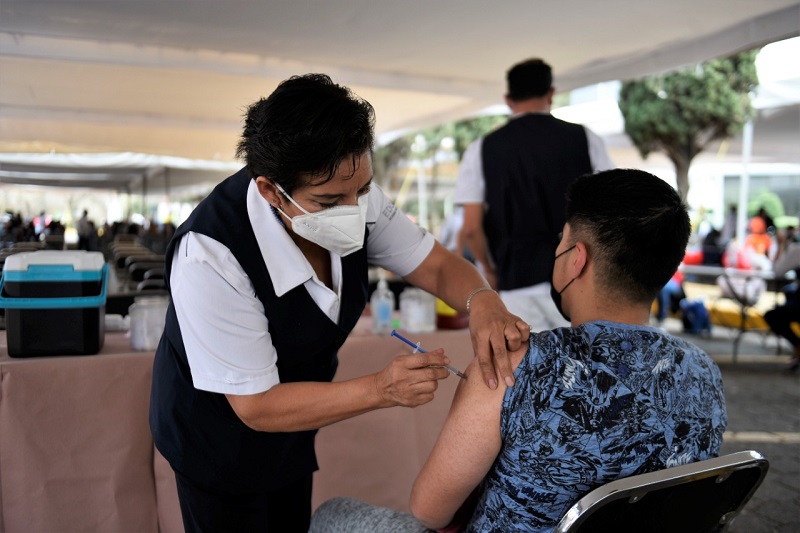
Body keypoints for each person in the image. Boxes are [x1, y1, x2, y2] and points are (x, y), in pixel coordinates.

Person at [148, 73, 530, 533]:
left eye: (361, 191)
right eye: (330, 201)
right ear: (271, 190)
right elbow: (257, 406)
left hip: (291, 430)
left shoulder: (350, 186)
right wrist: (382, 389)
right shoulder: (210, 254)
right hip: (214, 438)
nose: (354, 210)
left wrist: (482, 299)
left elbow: (434, 266)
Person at [310, 169, 727, 532]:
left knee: (332, 514)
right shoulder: (705, 374)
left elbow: (429, 511)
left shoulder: (516, 364)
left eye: (561, 242)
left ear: (576, 259)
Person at [454, 57, 614, 333]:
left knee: (531, 370)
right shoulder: (585, 139)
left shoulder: (482, 148)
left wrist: (490, 272)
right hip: (580, 276)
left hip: (516, 279)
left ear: (508, 99)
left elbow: (470, 228)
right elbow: (610, 209)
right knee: (587, 368)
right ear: (551, 94)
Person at [764, 229, 800, 371]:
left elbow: (777, 271)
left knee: (772, 316)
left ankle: (798, 345)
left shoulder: (796, 250)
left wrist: (781, 246)